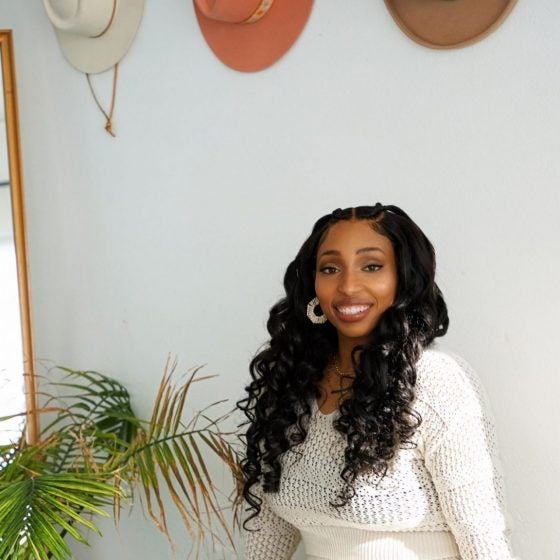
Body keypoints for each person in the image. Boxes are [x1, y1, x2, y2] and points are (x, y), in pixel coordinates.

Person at [238, 204, 516, 560]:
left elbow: (483, 533)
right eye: (330, 268)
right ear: (312, 283)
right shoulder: (291, 381)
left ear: (404, 278)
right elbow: (269, 531)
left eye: (371, 266)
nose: (348, 286)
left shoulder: (434, 379)